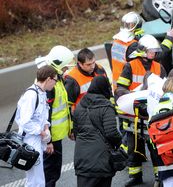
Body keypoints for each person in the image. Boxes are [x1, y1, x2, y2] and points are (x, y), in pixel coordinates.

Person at [115, 34, 167, 186]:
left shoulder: (159, 67)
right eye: (151, 51)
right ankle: (135, 176)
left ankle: (159, 176)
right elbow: (121, 88)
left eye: (155, 51)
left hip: (152, 114)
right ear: (143, 51)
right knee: (134, 147)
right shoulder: (130, 66)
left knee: (155, 148)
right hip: (134, 113)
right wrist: (131, 96)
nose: (154, 54)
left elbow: (164, 88)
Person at [35, 45, 75, 187]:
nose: (66, 70)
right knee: (50, 173)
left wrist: (70, 129)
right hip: (52, 137)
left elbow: (64, 107)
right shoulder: (50, 85)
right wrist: (48, 141)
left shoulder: (55, 78)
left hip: (56, 136)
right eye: (65, 67)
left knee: (53, 172)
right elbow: (46, 114)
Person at [73, 76, 122, 187]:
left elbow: (76, 133)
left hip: (82, 158)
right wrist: (119, 143)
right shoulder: (106, 106)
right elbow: (111, 133)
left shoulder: (80, 106)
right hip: (102, 159)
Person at [15, 65, 58, 187]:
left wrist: (46, 129)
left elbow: (42, 115)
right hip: (30, 140)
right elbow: (25, 121)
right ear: (49, 79)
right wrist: (42, 132)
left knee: (38, 175)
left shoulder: (41, 93)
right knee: (35, 178)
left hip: (36, 138)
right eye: (55, 80)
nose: (54, 84)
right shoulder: (32, 95)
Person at [111, 11, 173, 89]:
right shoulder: (132, 46)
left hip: (119, 86)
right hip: (129, 89)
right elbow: (157, 55)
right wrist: (170, 38)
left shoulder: (117, 41)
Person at [64, 48, 108, 112]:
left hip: (102, 110)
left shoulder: (100, 69)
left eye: (93, 62)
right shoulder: (72, 79)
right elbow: (69, 105)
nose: (92, 66)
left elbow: (108, 89)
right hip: (84, 116)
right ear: (80, 64)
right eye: (88, 64)